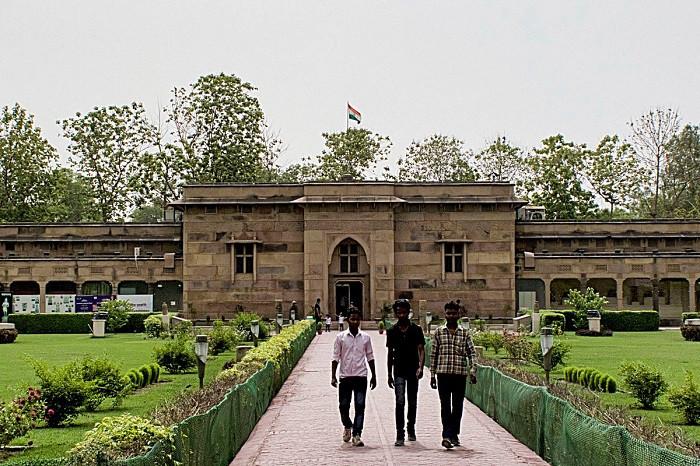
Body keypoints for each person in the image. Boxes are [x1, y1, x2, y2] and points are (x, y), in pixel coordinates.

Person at [429, 300, 477, 450]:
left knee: (457, 406)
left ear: (458, 314)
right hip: (443, 374)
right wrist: (432, 375)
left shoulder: (464, 334)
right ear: (445, 314)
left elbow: (472, 353)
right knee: (445, 406)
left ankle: (453, 434)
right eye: (448, 313)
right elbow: (434, 354)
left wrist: (473, 370)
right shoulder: (438, 332)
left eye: (453, 313)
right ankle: (447, 435)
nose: (451, 316)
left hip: (459, 374)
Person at [331, 308, 377, 447]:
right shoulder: (340, 338)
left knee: (360, 405)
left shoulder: (366, 338)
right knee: (343, 406)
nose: (355, 322)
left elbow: (370, 357)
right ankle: (347, 425)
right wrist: (333, 376)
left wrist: (374, 375)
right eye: (352, 319)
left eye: (357, 319)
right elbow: (335, 357)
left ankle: (357, 434)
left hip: (360, 376)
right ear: (347, 320)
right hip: (345, 376)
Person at [386, 299, 425, 446]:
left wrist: (420, 367)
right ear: (395, 313)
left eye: (403, 311)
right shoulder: (392, 331)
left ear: (408, 312)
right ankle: (399, 433)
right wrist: (389, 373)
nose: (401, 314)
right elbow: (390, 354)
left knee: (412, 401)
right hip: (399, 370)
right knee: (400, 401)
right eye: (398, 312)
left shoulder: (416, 330)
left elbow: (421, 349)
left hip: (413, 370)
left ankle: (411, 428)